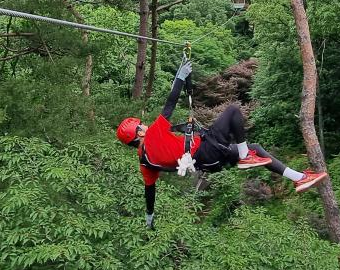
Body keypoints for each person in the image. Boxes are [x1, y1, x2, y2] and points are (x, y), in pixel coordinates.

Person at [116, 57, 329, 228]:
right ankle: (246, 157)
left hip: (207, 164)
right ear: (137, 136)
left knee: (256, 149)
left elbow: (149, 191)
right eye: (139, 127)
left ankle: (299, 178)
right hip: (206, 150)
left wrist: (150, 215)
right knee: (234, 111)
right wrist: (180, 77)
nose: (143, 126)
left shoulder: (144, 162)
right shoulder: (152, 135)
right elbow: (169, 105)